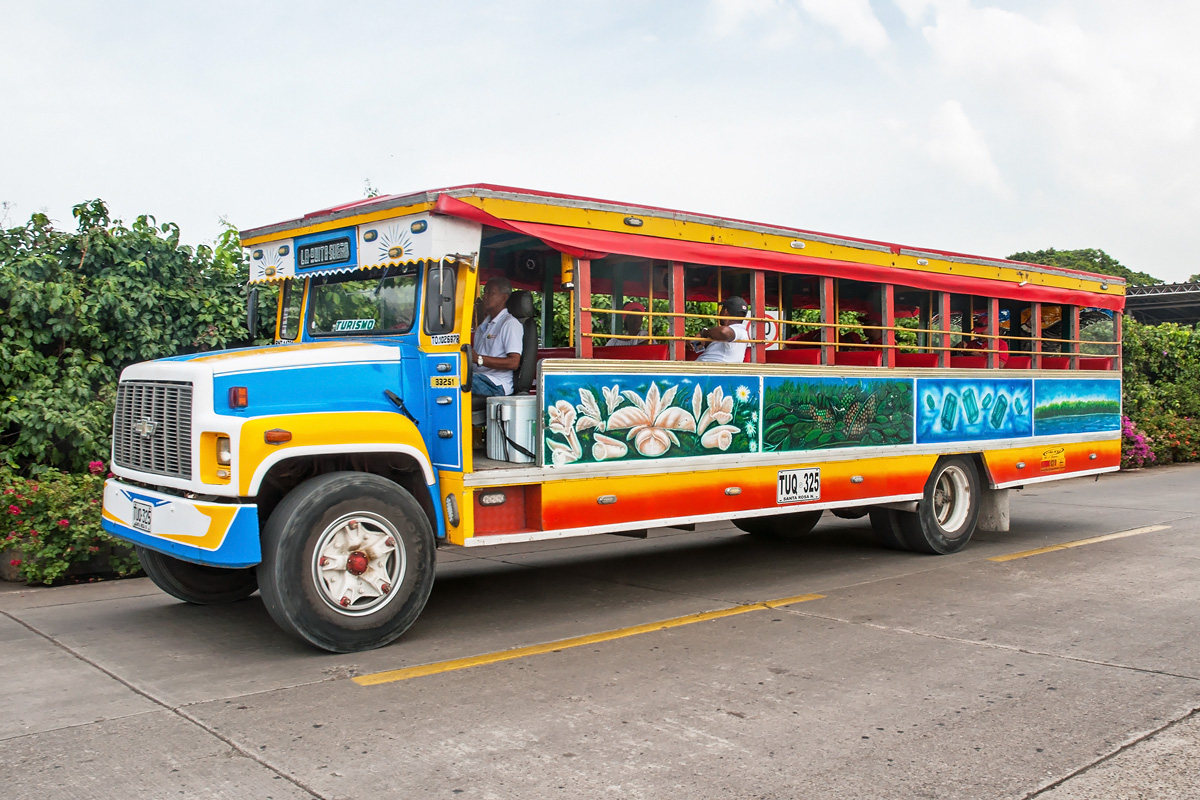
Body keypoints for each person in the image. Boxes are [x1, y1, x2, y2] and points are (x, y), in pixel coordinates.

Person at [471, 277, 523, 396]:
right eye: (485, 292)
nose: (485, 296)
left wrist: (478, 359)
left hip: (496, 383)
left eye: (490, 292)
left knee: (455, 382)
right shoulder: (482, 327)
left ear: (504, 298)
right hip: (478, 378)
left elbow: (514, 362)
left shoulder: (510, 324)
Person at [695, 296, 750, 363]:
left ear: (725, 312)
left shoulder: (738, 331)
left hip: (711, 366)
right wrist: (700, 338)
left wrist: (704, 332)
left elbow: (724, 332)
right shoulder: (737, 332)